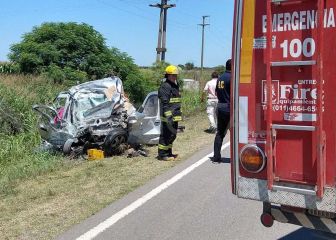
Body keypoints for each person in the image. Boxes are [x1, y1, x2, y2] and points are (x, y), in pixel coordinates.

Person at [158, 65, 182, 161]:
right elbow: (165, 103)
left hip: (175, 115)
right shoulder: (165, 86)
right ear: (167, 75)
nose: (174, 77)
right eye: (172, 75)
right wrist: (168, 117)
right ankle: (162, 154)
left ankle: (169, 152)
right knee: (166, 135)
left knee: (172, 135)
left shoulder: (175, 85)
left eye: (176, 75)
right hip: (168, 116)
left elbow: (175, 101)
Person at [213, 59, 231, 162]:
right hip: (229, 108)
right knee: (235, 133)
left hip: (220, 106)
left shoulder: (220, 78)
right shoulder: (232, 78)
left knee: (220, 133)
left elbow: (216, 92)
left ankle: (216, 156)